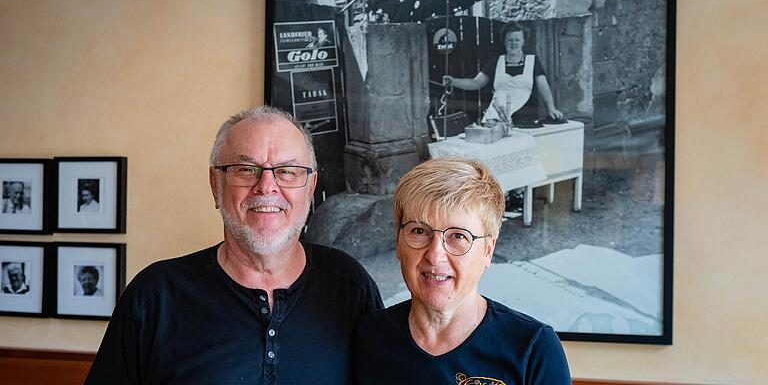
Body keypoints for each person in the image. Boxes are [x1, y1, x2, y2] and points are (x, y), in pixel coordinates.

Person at [85, 106, 382, 384]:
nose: (266, 187)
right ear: (216, 185)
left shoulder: (351, 287)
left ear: (310, 188)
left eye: (288, 171)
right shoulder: (155, 297)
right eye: (245, 169)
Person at [352, 157, 571, 384]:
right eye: (419, 231)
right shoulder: (368, 336)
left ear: (488, 250)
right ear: (399, 241)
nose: (435, 255)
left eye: (458, 236)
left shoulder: (533, 349)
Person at [443, 22, 563, 126]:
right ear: (504, 42)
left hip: (525, 118)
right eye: (510, 40)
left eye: (517, 40)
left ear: (523, 41)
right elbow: (476, 82)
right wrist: (453, 81)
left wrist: (551, 108)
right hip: (496, 117)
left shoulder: (533, 61)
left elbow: (544, 87)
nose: (513, 43)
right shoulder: (496, 62)